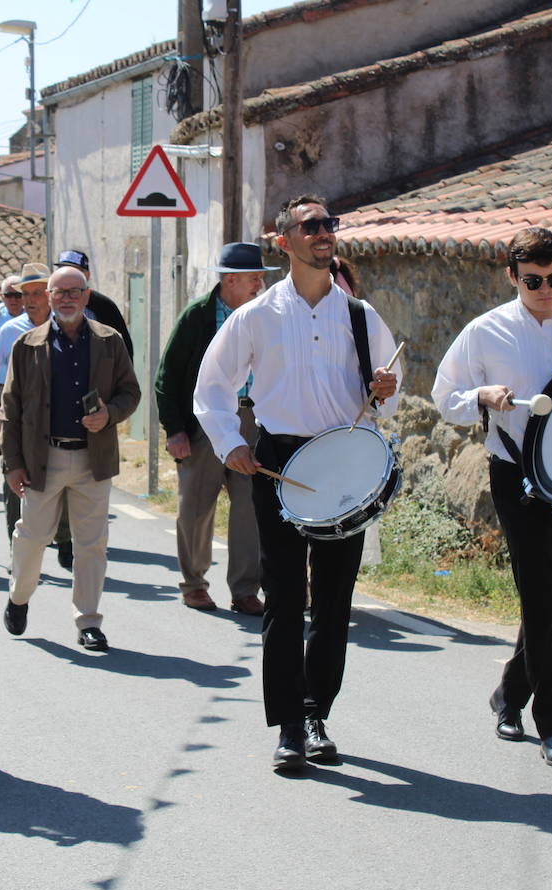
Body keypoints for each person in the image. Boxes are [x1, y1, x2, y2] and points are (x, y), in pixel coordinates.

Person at [193, 194, 400, 771]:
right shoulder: (256, 316)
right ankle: (287, 725)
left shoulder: (360, 315)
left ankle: (316, 711)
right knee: (284, 600)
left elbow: (389, 381)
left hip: (344, 462)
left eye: (329, 224)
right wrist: (229, 442)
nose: (324, 233)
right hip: (279, 461)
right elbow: (211, 386)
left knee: (334, 603)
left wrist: (385, 388)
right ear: (284, 241)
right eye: (310, 226)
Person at [432, 227, 552, 771]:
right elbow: (446, 397)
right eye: (533, 281)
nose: (546, 290)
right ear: (512, 276)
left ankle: (509, 693)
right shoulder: (486, 331)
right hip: (514, 474)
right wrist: (480, 396)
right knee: (536, 592)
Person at [1, 266, 141, 652]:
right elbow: (9, 409)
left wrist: (109, 414)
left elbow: (131, 392)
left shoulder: (109, 341)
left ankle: (89, 622)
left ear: (86, 295)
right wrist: (12, 463)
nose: (66, 298)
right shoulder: (26, 345)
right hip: (42, 458)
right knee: (31, 537)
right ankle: (18, 597)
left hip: (92, 459)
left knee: (91, 543)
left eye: (74, 291)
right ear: (47, 297)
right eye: (58, 292)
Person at [156, 243, 272, 616]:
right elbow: (167, 376)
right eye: (254, 278)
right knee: (196, 507)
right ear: (230, 280)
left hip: (252, 419)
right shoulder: (198, 317)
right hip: (205, 421)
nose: (259, 283)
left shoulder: (265, 315)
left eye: (260, 277)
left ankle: (244, 590)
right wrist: (174, 430)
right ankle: (194, 584)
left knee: (249, 508)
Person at [0, 263, 54, 545]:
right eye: (24, 294)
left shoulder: (65, 326)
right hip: (13, 409)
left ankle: (60, 536)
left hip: (53, 414)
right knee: (13, 472)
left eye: (37, 293)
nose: (28, 300)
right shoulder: (11, 330)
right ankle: (17, 539)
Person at [53, 250, 135, 356]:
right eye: (63, 270)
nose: (68, 276)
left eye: (75, 272)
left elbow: (124, 349)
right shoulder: (49, 303)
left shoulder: (104, 306)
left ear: (87, 275)